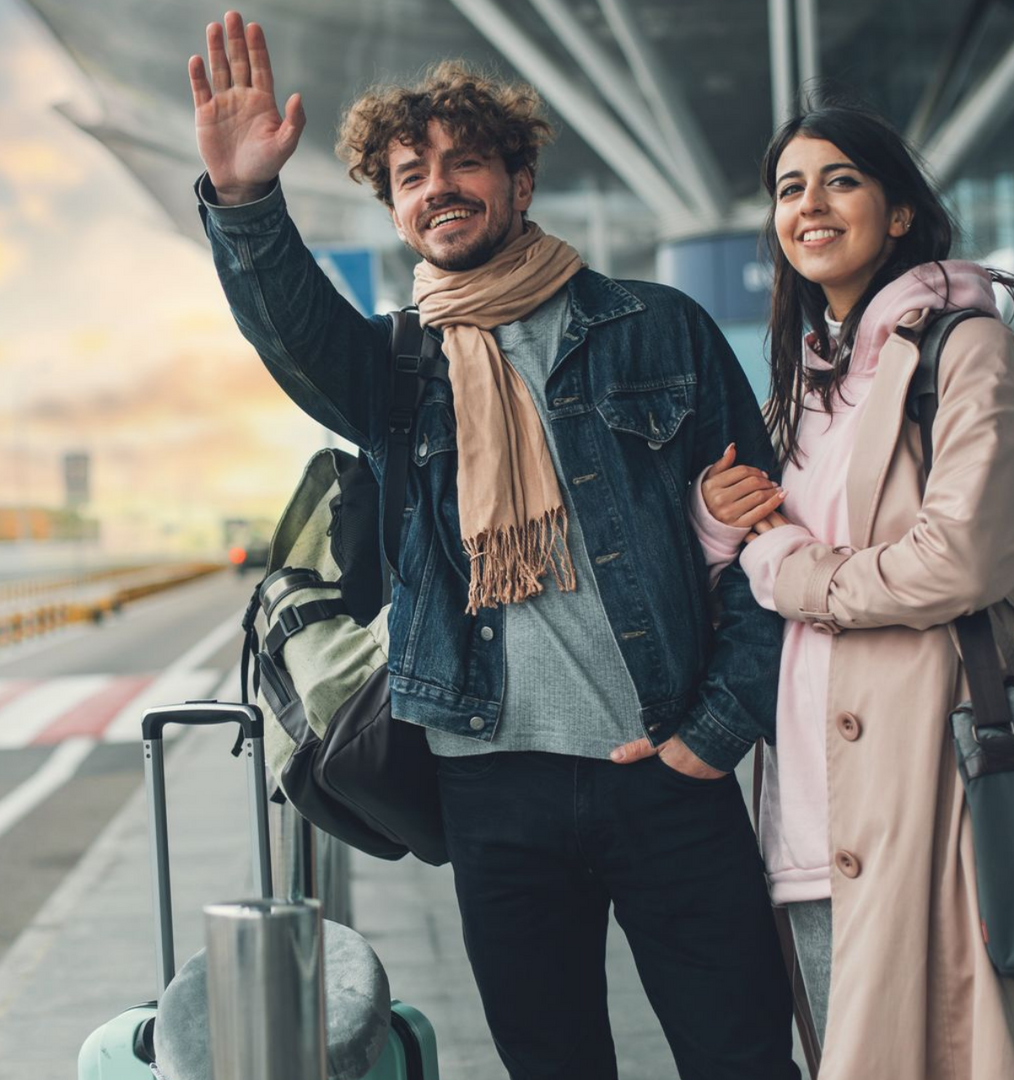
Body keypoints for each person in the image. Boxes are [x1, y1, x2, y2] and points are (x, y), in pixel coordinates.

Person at [189, 12, 797, 1079]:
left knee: (742, 1059)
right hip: (492, 789)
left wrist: (715, 732)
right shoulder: (397, 369)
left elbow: (766, 548)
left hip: (666, 767)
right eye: (411, 174)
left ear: (520, 181)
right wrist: (246, 201)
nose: (439, 186)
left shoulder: (658, 330)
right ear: (395, 207)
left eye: (465, 161)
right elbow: (294, 335)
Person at [689, 103, 1014, 1079]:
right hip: (809, 802)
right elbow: (751, 552)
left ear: (899, 213)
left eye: (840, 180)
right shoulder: (800, 384)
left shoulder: (964, 348)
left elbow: (961, 559)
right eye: (789, 189)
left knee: (953, 1050)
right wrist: (716, 520)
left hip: (925, 772)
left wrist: (787, 568)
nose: (809, 204)